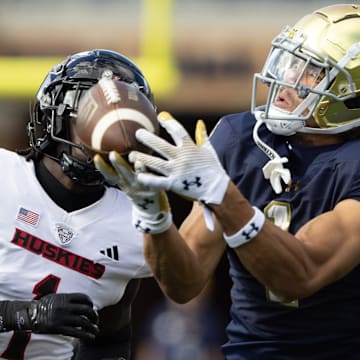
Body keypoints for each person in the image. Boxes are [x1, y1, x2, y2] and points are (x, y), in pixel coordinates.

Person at [94, 4, 360, 359]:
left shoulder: (353, 162)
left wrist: (222, 194)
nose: (289, 77)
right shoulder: (241, 139)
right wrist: (154, 220)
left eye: (312, 70)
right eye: (292, 61)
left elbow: (299, 275)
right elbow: (184, 283)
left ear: (349, 92)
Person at [0, 49, 154, 359]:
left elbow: (109, 340)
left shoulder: (132, 224)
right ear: (57, 113)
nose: (101, 127)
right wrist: (22, 315)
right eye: (91, 109)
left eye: (116, 116)